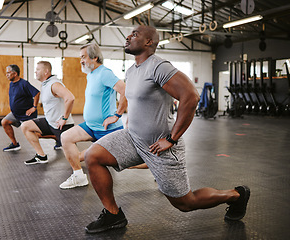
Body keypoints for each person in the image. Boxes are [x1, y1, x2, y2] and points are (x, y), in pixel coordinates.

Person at [84, 25, 250, 234]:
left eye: (134, 34)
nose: (128, 37)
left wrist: (171, 139)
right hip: (133, 138)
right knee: (93, 157)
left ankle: (236, 195)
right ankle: (113, 215)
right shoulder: (132, 70)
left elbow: (191, 96)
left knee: (185, 203)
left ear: (149, 42)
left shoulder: (159, 66)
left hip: (160, 146)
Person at [59, 43, 127, 189]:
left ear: (94, 57)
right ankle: (78, 176)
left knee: (129, 163)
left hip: (108, 129)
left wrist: (117, 115)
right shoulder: (91, 74)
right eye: (80, 58)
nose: (81, 61)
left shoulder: (105, 73)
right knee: (66, 137)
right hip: (90, 126)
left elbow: (125, 90)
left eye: (83, 57)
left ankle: (157, 165)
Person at [21, 61, 75, 165]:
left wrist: (64, 118)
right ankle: (41, 156)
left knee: (76, 157)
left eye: (37, 69)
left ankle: (96, 154)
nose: (35, 72)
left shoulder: (54, 84)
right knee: (26, 126)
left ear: (46, 71)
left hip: (62, 126)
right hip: (50, 122)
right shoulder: (45, 84)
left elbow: (70, 98)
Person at [2, 64, 40, 151]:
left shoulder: (24, 83)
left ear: (15, 74)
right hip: (16, 114)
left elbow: (37, 93)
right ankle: (15, 144)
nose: (6, 75)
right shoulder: (12, 83)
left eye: (8, 73)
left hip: (27, 114)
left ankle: (56, 138)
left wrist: (34, 107)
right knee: (4, 122)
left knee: (38, 134)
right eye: (6, 73)